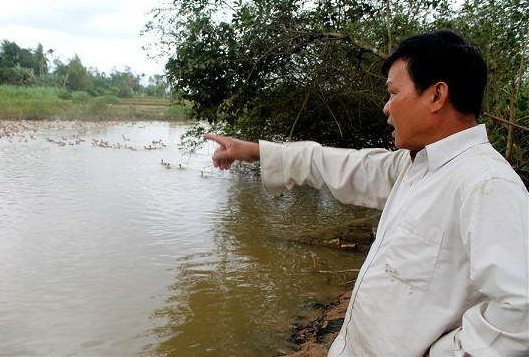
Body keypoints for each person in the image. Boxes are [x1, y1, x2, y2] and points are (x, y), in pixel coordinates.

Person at [203, 29, 529, 356]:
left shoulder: (486, 184)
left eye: (393, 93)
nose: (386, 108)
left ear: (436, 95)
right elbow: (339, 165)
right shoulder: (416, 166)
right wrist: (256, 151)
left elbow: (521, 314)